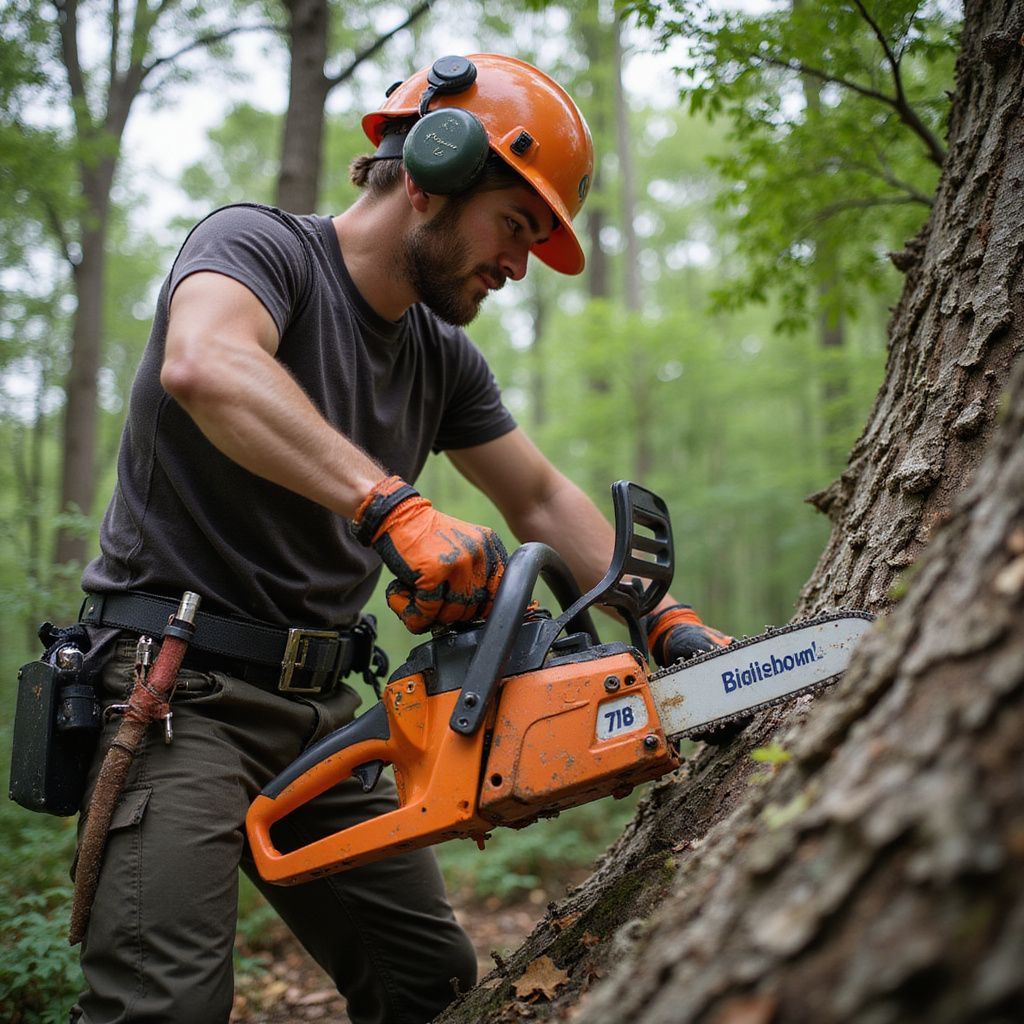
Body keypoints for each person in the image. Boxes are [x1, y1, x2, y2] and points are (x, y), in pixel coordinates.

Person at [71, 53, 730, 1024]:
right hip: (176, 691)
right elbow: (206, 364)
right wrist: (395, 509)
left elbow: (540, 496)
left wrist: (664, 617)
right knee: (165, 1008)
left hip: (320, 712)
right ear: (428, 176)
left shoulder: (441, 357)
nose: (517, 263)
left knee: (426, 981)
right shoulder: (259, 249)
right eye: (515, 224)